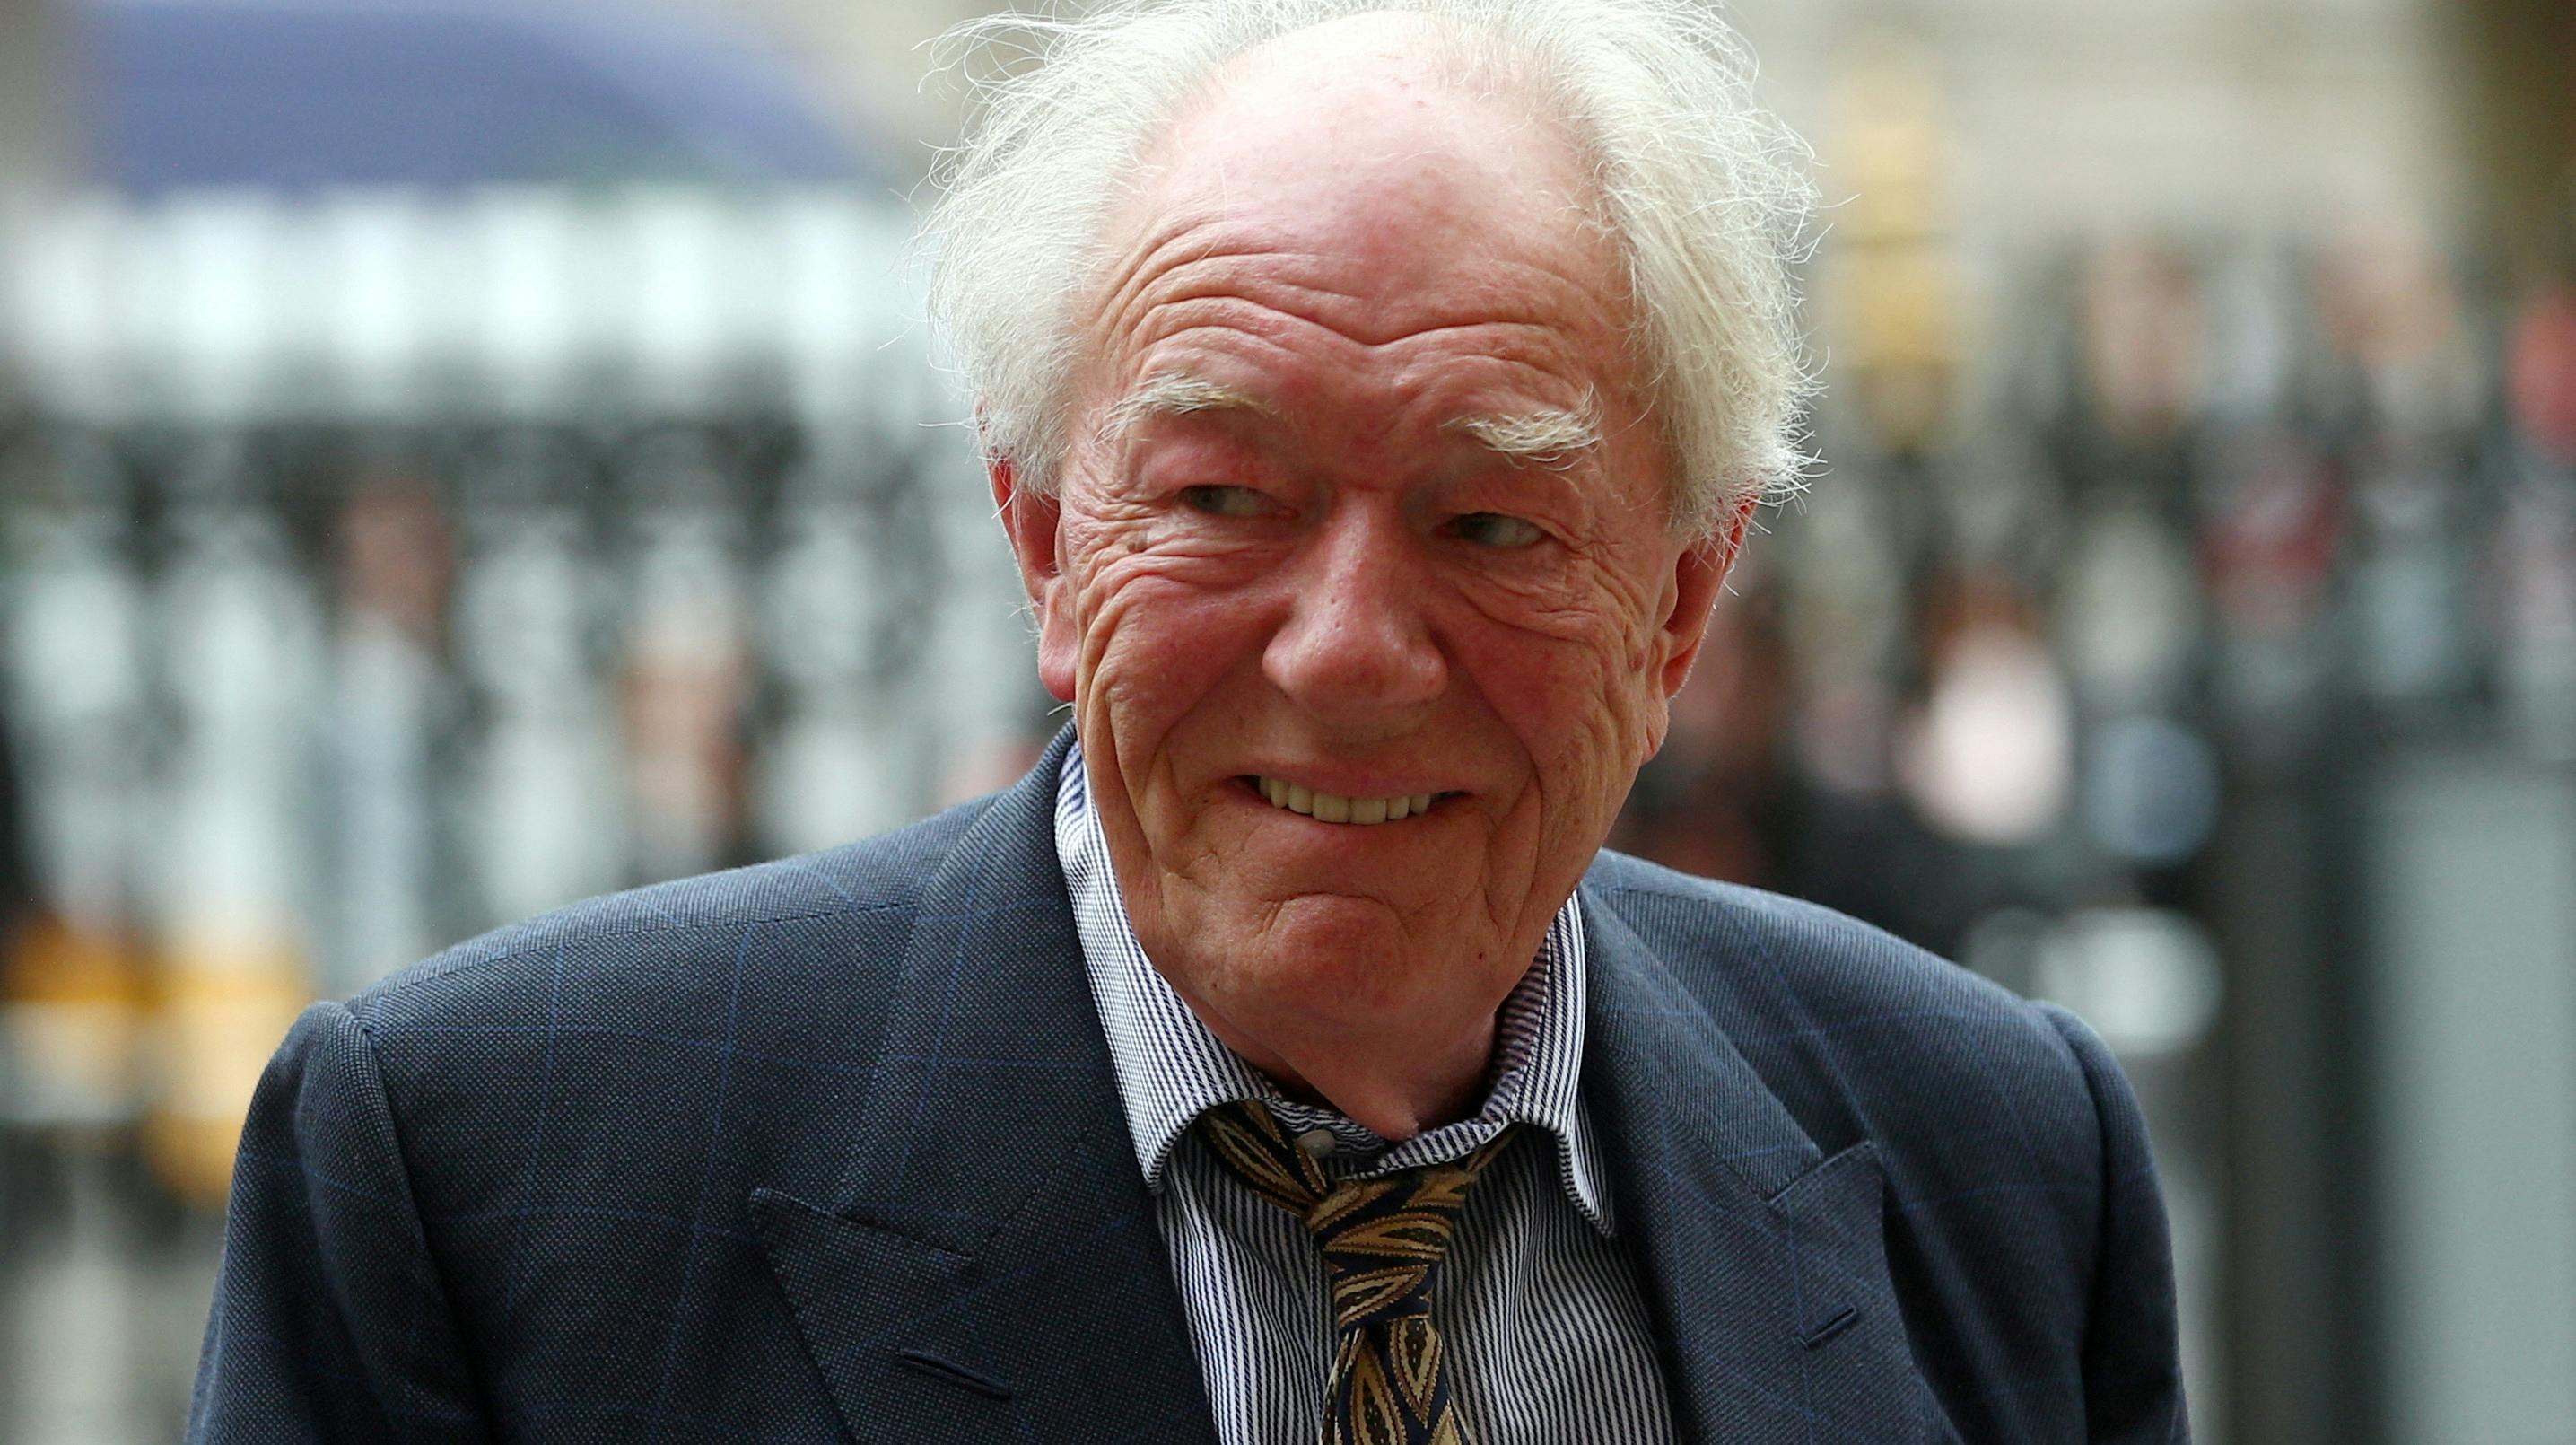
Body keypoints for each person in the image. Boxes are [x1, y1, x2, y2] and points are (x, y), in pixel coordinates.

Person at [187, 3, 2187, 1442]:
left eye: (1488, 522)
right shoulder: (489, 1181)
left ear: (1677, 602)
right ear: (1047, 545)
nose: (1345, 651)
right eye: (1226, 499)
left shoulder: (1994, 1161)